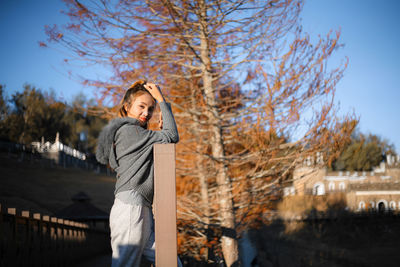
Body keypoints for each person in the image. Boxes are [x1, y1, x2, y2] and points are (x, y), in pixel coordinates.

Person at [96, 80, 181, 267]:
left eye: (151, 109)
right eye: (141, 106)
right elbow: (172, 136)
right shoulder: (128, 131)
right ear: (127, 107)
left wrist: (161, 127)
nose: (147, 113)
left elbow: (165, 137)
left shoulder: (136, 135)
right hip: (130, 209)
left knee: (170, 261)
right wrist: (161, 99)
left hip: (141, 209)